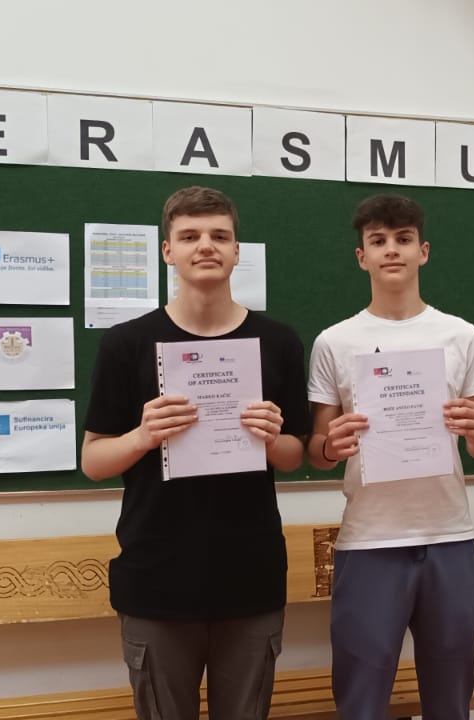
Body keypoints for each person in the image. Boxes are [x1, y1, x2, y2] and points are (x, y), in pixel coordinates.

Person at [81, 186, 311, 720]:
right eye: (189, 236)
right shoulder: (126, 343)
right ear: (168, 251)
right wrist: (143, 436)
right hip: (156, 582)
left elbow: (294, 455)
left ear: (236, 251)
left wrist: (270, 437)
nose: (205, 245)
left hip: (250, 579)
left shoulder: (278, 342)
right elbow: (93, 461)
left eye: (219, 236)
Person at [305, 193, 474, 720]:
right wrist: (331, 444)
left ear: (423, 251)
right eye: (379, 240)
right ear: (361, 256)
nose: (392, 250)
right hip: (370, 542)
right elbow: (317, 451)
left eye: (403, 239)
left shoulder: (460, 335)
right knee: (362, 702)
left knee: (451, 699)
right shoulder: (334, 342)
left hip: (449, 538)